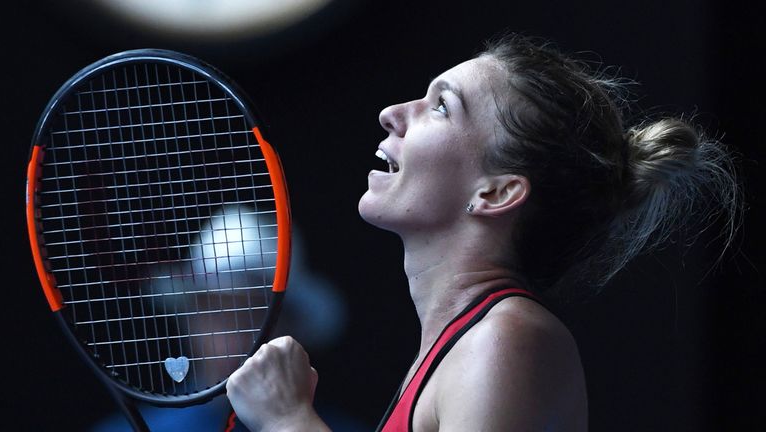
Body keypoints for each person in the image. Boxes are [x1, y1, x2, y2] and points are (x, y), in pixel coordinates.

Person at [226, 33, 739, 431]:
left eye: (441, 106)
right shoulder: (468, 345)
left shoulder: (507, 339)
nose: (392, 114)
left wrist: (287, 419)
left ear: (496, 193)